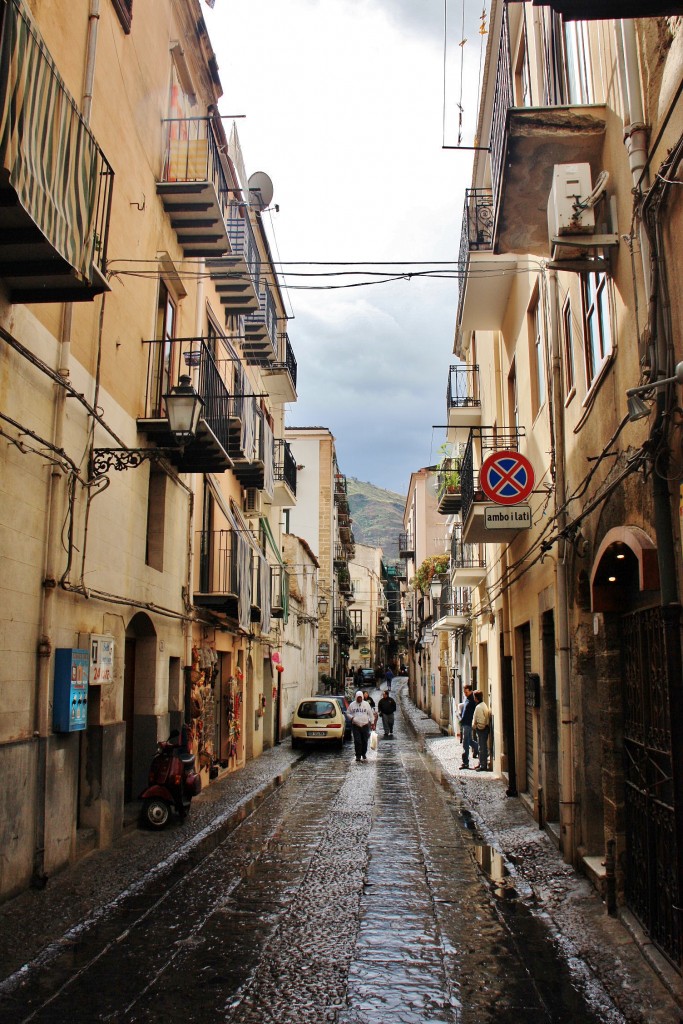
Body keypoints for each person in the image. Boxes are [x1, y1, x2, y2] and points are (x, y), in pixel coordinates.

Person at [347, 690, 375, 761]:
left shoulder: (366, 704)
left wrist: (372, 723)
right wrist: (352, 718)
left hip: (365, 725)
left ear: (362, 697)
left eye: (360, 697)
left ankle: (364, 753)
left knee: (364, 740)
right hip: (356, 725)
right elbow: (348, 713)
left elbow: (370, 714)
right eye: (358, 697)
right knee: (357, 740)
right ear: (356, 697)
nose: (359, 699)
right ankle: (358, 755)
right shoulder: (352, 705)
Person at [458, 685, 478, 769]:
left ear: (470, 691)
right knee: (469, 741)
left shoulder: (472, 700)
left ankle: (465, 762)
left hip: (468, 723)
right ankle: (481, 750)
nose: (465, 694)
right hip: (465, 723)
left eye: (466, 692)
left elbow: (472, 712)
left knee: (465, 743)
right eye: (464, 692)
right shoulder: (468, 698)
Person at [472, 690, 491, 772]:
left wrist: (477, 727)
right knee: (481, 747)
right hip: (483, 729)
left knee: (482, 748)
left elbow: (481, 721)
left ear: (476, 698)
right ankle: (481, 763)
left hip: (482, 730)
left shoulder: (479, 707)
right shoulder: (483, 705)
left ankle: (483, 765)